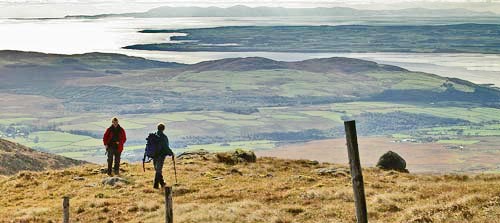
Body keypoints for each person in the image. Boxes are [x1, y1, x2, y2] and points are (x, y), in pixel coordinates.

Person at [153, 122, 174, 189]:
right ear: (163, 129)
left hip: (154, 155)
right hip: (161, 155)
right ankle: (155, 185)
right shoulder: (163, 137)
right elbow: (166, 147)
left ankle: (162, 183)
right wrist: (171, 153)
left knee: (157, 169)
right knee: (159, 170)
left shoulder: (154, 135)